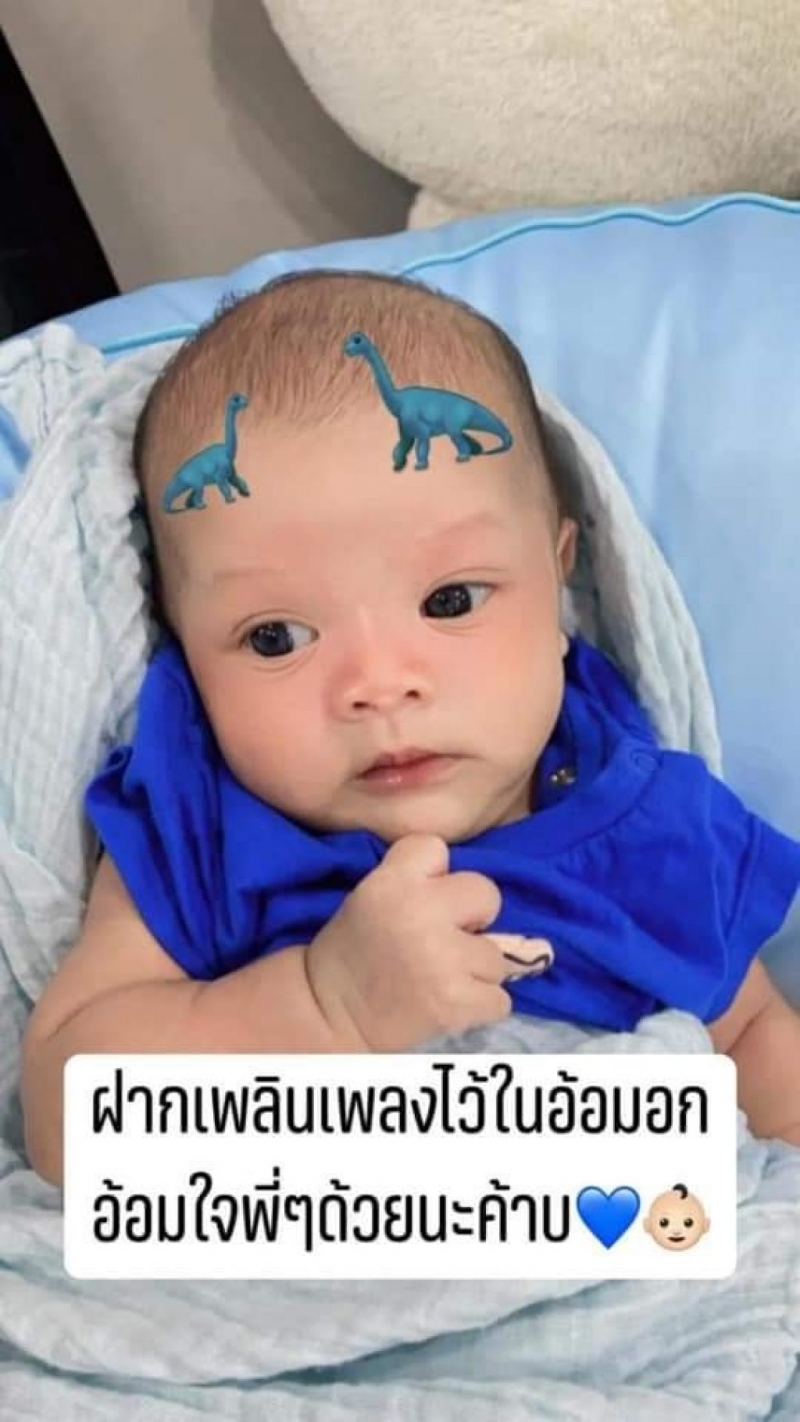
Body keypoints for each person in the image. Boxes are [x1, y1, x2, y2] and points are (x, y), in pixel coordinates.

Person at [21, 270, 800, 1186]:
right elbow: (67, 1123)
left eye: (451, 600)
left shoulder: (644, 820)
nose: (379, 686)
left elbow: (752, 1034)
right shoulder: (202, 832)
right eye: (275, 638)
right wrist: (325, 1007)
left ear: (559, 586)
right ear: (184, 649)